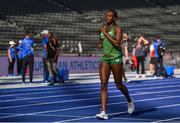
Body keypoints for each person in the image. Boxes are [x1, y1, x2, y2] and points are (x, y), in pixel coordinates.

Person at [96, 9, 135, 120]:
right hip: (105, 59)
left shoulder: (117, 29)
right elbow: (100, 41)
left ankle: (129, 100)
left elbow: (117, 43)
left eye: (109, 16)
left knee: (119, 85)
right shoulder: (103, 29)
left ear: (114, 18)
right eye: (106, 15)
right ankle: (103, 112)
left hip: (116, 59)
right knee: (103, 84)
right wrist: (99, 44)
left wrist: (105, 33)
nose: (107, 17)